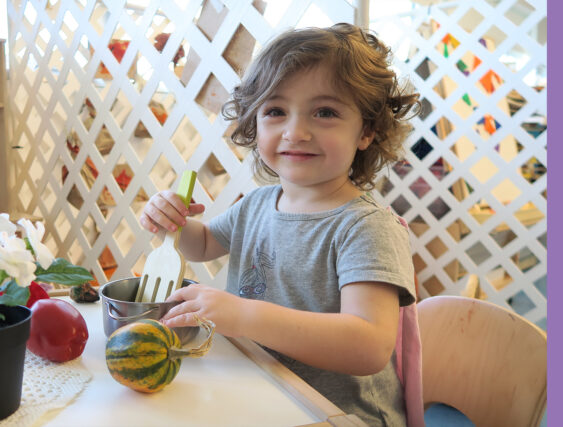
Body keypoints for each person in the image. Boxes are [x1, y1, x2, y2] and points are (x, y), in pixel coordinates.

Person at [139, 23, 420, 426]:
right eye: (275, 111)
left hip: (338, 414)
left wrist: (245, 315)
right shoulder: (257, 204)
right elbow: (201, 246)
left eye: (325, 112)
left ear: (367, 131)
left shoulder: (365, 226)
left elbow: (368, 346)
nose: (295, 131)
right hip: (262, 390)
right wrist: (173, 221)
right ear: (255, 124)